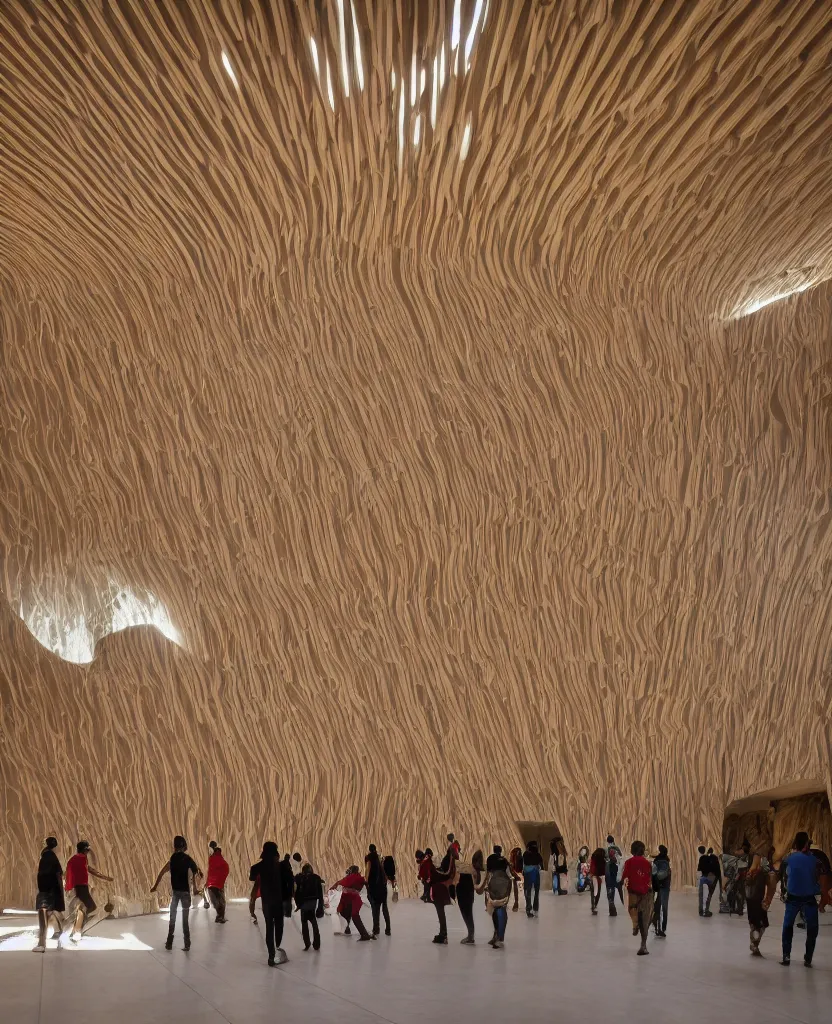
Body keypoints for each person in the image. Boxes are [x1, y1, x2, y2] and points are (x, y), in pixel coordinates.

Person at [150, 835, 202, 952]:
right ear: (184, 846)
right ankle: (187, 943)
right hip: (185, 894)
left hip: (176, 893)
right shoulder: (188, 859)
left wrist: (155, 886)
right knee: (185, 920)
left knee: (172, 918)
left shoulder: (172, 859)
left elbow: (161, 872)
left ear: (175, 846)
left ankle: (169, 943)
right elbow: (196, 872)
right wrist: (195, 888)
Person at [780, 831, 820, 967]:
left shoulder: (789, 858)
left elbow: (782, 873)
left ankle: (786, 956)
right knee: (813, 928)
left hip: (793, 897)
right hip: (808, 898)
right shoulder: (813, 859)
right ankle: (808, 958)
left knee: (787, 926)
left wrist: (783, 890)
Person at [65, 840, 113, 943]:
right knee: (87, 907)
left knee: (87, 907)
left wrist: (104, 877)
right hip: (80, 887)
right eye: (87, 850)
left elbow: (87, 870)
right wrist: (105, 877)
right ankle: (76, 930)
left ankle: (76, 927)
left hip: (78, 887)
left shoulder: (74, 859)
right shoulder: (81, 859)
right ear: (85, 850)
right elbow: (88, 870)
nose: (88, 852)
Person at [250, 841, 290, 965]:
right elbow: (289, 879)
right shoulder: (281, 866)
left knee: (269, 927)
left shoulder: (259, 866)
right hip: (278, 901)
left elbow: (252, 876)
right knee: (279, 925)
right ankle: (277, 947)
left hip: (266, 902)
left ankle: (271, 955)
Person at [33, 837, 65, 952]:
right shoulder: (52, 856)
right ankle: (59, 938)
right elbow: (59, 874)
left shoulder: (46, 856)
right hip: (53, 891)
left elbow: (43, 875)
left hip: (46, 891)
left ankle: (42, 943)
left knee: (43, 913)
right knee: (53, 914)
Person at [477, 845, 512, 949]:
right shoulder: (504, 861)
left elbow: (488, 874)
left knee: (494, 909)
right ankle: (499, 936)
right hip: (504, 886)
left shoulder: (490, 859)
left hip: (493, 886)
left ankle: (496, 935)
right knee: (501, 909)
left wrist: (483, 887)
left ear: (493, 850)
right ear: (500, 851)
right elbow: (509, 875)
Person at [621, 840, 652, 956]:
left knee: (632, 909)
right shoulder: (647, 863)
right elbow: (649, 878)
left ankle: (635, 924)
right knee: (645, 919)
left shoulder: (629, 862)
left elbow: (625, 876)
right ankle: (643, 945)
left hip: (633, 892)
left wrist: (620, 883)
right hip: (645, 894)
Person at [745, 849, 777, 957]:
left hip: (753, 899)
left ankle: (754, 944)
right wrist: (767, 900)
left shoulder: (751, 865)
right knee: (758, 925)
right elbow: (772, 881)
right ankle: (754, 944)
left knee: (756, 924)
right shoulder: (762, 866)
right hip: (757, 900)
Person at [335, 866, 374, 940]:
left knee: (353, 915)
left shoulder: (352, 878)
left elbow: (340, 883)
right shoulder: (358, 878)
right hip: (353, 899)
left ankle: (364, 934)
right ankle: (358, 932)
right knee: (350, 913)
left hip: (353, 899)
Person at [294, 862, 324, 951]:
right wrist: (320, 906)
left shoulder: (300, 878)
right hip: (313, 903)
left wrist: (298, 905)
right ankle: (316, 944)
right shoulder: (316, 878)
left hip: (303, 903)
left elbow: (297, 892)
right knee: (314, 923)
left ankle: (307, 944)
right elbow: (320, 894)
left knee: (304, 924)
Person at [424, 853, 454, 943]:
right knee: (441, 913)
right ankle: (443, 934)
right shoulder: (438, 872)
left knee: (441, 913)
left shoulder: (434, 871)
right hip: (440, 893)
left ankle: (443, 934)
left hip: (438, 893)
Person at [454, 847, 481, 944]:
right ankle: (471, 935)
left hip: (463, 890)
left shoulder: (461, 866)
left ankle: (470, 935)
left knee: (466, 913)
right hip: (468, 892)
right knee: (468, 913)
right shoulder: (472, 869)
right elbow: (477, 881)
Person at [365, 844, 391, 936]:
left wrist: (366, 882)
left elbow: (367, 872)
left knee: (375, 908)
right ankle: (388, 929)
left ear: (369, 850)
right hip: (383, 886)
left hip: (374, 887)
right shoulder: (380, 858)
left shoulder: (369, 858)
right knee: (384, 907)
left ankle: (376, 929)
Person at [205, 842, 229, 923]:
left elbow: (212, 871)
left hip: (214, 883)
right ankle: (220, 916)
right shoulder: (214, 858)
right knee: (219, 900)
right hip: (216, 883)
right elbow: (212, 871)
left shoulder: (213, 858)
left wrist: (210, 881)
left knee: (217, 900)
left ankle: (220, 916)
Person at [651, 845, 671, 937]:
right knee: (664, 907)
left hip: (657, 887)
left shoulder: (656, 861)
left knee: (657, 906)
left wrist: (654, 886)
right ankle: (663, 928)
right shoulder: (667, 861)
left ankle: (657, 926)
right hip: (665, 887)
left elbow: (653, 874)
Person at [522, 841, 543, 917]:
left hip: (528, 874)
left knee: (528, 891)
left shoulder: (525, 854)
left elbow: (524, 863)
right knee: (536, 891)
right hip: (536, 873)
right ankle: (535, 907)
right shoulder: (537, 854)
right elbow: (541, 862)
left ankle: (528, 907)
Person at [604, 835, 623, 916]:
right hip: (615, 868)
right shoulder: (616, 847)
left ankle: (611, 905)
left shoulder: (605, 848)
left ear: (607, 841)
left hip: (607, 868)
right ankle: (623, 902)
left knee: (609, 886)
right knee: (617, 885)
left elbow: (605, 858)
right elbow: (620, 855)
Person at [697, 845, 717, 917]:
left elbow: (699, 869)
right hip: (710, 878)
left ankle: (701, 911)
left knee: (702, 895)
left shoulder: (701, 858)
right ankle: (706, 911)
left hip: (703, 877)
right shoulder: (712, 858)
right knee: (708, 895)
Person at [589, 847, 606, 915]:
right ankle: (595, 905)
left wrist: (591, 874)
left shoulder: (593, 859)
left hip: (593, 876)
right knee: (597, 892)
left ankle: (593, 906)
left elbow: (592, 867)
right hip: (598, 877)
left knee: (593, 892)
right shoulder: (602, 860)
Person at [281, 853, 295, 920]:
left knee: (284, 900)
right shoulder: (288, 866)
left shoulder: (281, 864)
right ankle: (288, 913)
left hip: (282, 886)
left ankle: (284, 912)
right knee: (288, 900)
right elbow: (291, 878)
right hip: (288, 886)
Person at [509, 846, 523, 911]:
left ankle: (516, 904)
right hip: (520, 874)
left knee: (516, 890)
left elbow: (511, 868)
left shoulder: (513, 859)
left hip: (516, 875)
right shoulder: (521, 858)